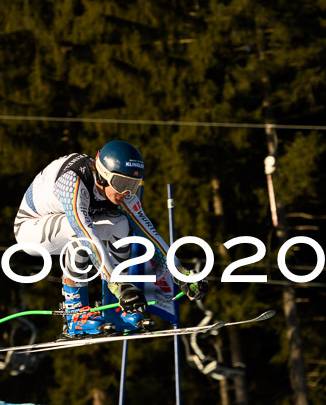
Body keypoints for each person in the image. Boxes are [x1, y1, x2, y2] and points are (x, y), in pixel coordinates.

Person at [13, 140, 208, 339]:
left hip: (72, 225)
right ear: (103, 175)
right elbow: (86, 235)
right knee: (78, 231)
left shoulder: (124, 193)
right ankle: (75, 315)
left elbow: (149, 234)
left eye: (133, 184)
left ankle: (113, 309)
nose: (127, 192)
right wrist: (120, 286)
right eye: (122, 184)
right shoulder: (72, 180)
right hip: (30, 229)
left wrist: (181, 273)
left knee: (121, 224)